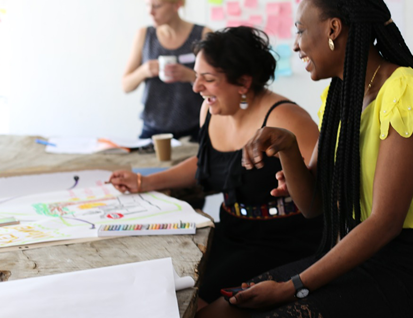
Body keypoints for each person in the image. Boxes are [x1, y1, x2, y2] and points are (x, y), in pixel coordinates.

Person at [198, 0, 413, 318]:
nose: (295, 44)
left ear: (333, 29)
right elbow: (312, 205)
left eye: (301, 30)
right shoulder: (339, 98)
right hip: (351, 255)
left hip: (403, 269)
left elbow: (385, 221)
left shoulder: (404, 90)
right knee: (219, 312)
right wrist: (288, 149)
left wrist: (293, 286)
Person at [109, 26, 323, 309]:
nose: (196, 87)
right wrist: (144, 182)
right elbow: (206, 162)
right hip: (230, 231)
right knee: (163, 288)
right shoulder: (210, 110)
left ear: (243, 83)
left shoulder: (287, 117)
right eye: (196, 76)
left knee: (194, 304)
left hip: (282, 242)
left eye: (208, 79)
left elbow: (323, 189)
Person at [122, 0, 212, 140]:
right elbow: (126, 86)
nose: (150, 12)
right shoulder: (145, 35)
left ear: (177, 4)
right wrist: (144, 71)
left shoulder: (203, 34)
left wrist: (191, 76)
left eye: (157, 6)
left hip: (196, 128)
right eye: (148, 5)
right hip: (153, 129)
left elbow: (221, 83)